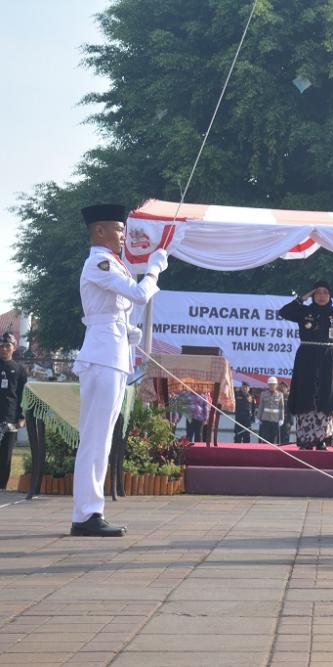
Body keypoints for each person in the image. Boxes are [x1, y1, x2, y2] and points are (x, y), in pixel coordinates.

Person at [72, 203, 168, 536]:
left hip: (113, 354)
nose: (123, 234)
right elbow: (140, 295)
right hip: (101, 356)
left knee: (102, 438)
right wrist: (154, 269)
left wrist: (130, 333)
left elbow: (120, 309)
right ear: (99, 231)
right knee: (95, 439)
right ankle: (86, 514)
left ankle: (90, 510)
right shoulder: (98, 262)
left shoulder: (115, 264)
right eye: (118, 228)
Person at [278, 281, 333, 451]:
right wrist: (303, 297)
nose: (322, 296)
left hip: (329, 359)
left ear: (330, 295)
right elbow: (284, 312)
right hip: (307, 358)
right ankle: (306, 437)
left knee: (326, 396)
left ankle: (322, 438)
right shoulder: (304, 312)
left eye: (325, 292)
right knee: (306, 394)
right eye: (318, 293)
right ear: (313, 295)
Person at [0, 332, 27, 491]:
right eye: (1, 346)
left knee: (5, 457)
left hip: (10, 417)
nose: (4, 349)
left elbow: (23, 395)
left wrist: (21, 416)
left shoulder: (20, 369)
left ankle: (2, 488)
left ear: (13, 347)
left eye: (7, 346)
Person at [258, 377, 285, 446]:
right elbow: (261, 406)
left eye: (273, 384)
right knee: (265, 438)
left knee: (274, 439)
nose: (272, 386)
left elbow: (281, 408)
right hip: (266, 419)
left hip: (275, 420)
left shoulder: (280, 395)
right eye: (270, 384)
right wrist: (258, 417)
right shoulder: (263, 394)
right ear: (268, 385)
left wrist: (281, 419)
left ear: (276, 385)